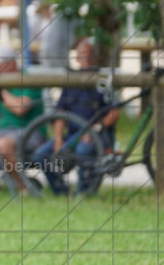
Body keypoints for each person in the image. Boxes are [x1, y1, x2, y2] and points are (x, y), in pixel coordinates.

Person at [32, 38, 118, 195]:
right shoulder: (71, 82)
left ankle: (83, 193)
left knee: (83, 149)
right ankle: (62, 192)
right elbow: (61, 114)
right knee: (41, 155)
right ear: (77, 59)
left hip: (98, 136)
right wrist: (58, 139)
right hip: (72, 135)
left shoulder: (103, 81)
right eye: (82, 55)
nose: (85, 58)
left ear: (95, 58)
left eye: (89, 54)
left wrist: (95, 129)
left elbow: (114, 112)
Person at [0, 44, 45, 193]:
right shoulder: (0, 81)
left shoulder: (28, 79)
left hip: (31, 131)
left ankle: (24, 187)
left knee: (3, 145)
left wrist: (1, 91)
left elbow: (20, 109)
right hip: (5, 131)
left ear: (10, 64)